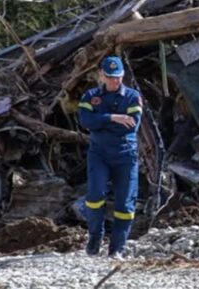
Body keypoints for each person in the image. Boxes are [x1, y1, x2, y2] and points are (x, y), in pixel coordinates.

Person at [77, 55, 143, 259]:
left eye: (118, 77)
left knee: (125, 204)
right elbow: (85, 121)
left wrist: (100, 122)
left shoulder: (132, 97)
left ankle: (117, 248)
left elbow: (132, 125)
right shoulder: (90, 96)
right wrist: (113, 117)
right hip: (99, 154)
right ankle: (95, 238)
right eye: (110, 77)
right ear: (101, 75)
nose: (115, 81)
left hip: (125, 154)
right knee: (95, 196)